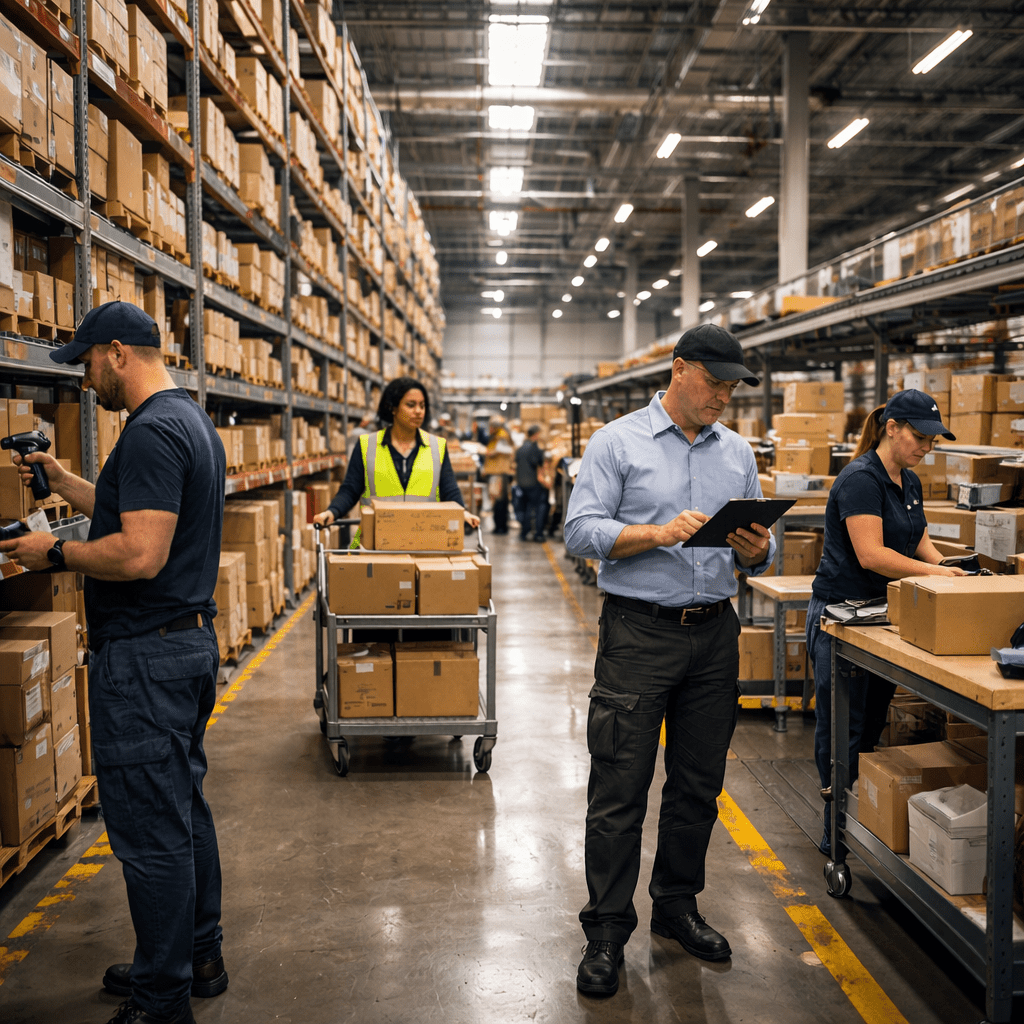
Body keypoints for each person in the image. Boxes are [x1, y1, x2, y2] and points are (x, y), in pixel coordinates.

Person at [0, 301, 227, 1024]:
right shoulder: (185, 419)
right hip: (182, 647)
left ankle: (163, 1002)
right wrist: (67, 484)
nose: (84, 377)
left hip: (147, 662)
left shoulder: (153, 430)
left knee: (151, 837)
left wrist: (56, 551)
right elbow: (138, 516)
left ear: (119, 351)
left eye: (88, 362)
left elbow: (139, 552)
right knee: (183, 813)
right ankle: (199, 956)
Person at [564, 323, 776, 998]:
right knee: (620, 787)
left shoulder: (736, 451)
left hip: (714, 633)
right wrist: (655, 533)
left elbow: (761, 549)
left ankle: (677, 904)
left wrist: (756, 550)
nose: (723, 397)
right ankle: (604, 931)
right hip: (638, 633)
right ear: (678, 370)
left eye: (731, 387)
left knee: (697, 785)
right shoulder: (616, 441)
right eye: (713, 383)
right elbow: (579, 530)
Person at [806, 389, 965, 854]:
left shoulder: (908, 482)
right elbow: (871, 555)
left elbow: (921, 546)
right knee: (844, 728)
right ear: (891, 428)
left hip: (883, 617)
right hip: (843, 617)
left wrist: (963, 571)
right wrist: (938, 574)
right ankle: (835, 821)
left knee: (872, 724)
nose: (927, 447)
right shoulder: (861, 479)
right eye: (920, 437)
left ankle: (865, 810)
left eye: (933, 440)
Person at [313, 376, 480, 538]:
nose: (418, 411)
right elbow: (350, 490)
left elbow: (449, 490)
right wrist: (332, 512)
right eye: (411, 405)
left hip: (423, 541)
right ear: (393, 408)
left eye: (422, 406)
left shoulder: (437, 446)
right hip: (376, 542)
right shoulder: (367, 445)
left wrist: (462, 513)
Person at [515, 425, 548, 542]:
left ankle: (525, 532)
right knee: (540, 507)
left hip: (521, 483)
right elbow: (538, 462)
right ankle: (538, 533)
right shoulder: (533, 448)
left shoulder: (521, 448)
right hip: (532, 483)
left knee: (527, 507)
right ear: (536, 434)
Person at [484, 415, 514, 535]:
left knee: (499, 501)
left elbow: (505, 450)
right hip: (498, 472)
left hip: (499, 473)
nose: (489, 429)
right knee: (498, 501)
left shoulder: (501, 436)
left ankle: (500, 527)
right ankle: (500, 526)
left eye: (491, 426)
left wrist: (490, 453)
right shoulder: (499, 436)